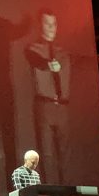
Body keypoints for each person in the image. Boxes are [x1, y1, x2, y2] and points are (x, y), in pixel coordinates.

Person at [25, 10, 71, 184]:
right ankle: (50, 193)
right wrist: (48, 65)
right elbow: (35, 60)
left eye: (54, 24)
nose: (51, 28)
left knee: (65, 155)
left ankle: (66, 195)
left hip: (62, 107)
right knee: (47, 154)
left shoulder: (63, 51)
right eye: (47, 23)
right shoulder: (33, 48)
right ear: (40, 25)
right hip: (45, 105)